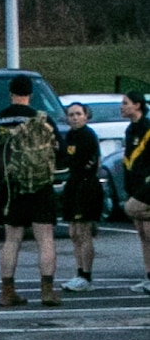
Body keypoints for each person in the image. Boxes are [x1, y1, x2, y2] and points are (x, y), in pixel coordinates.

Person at [0, 73, 63, 308]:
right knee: (45, 238)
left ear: (11, 94)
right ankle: (47, 291)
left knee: (12, 239)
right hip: (41, 186)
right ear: (30, 94)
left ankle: (7, 291)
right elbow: (60, 152)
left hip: (10, 187)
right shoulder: (43, 120)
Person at [60, 101, 104, 293]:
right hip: (73, 184)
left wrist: (82, 172)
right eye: (71, 115)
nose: (75, 118)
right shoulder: (70, 136)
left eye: (78, 114)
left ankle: (86, 276)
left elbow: (92, 162)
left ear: (86, 116)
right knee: (74, 233)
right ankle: (78, 273)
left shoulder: (88, 135)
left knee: (83, 232)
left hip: (86, 186)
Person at [120, 91, 150, 295]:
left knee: (147, 230)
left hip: (146, 186)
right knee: (142, 234)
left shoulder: (147, 127)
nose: (122, 107)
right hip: (134, 184)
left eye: (126, 103)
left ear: (137, 105)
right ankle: (148, 275)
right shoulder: (130, 129)